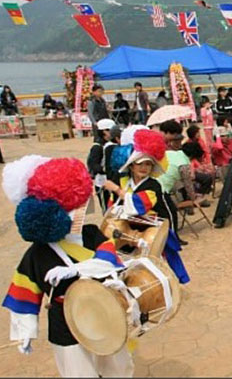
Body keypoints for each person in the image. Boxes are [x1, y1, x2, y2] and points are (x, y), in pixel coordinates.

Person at [2, 156, 133, 377]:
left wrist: (79, 270)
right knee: (78, 370)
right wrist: (25, 332)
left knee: (117, 365)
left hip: (103, 309)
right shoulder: (37, 254)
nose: (78, 212)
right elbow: (24, 294)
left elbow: (111, 262)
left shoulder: (91, 234)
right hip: (64, 320)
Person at [103, 127, 190, 283]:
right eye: (139, 164)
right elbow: (113, 207)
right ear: (131, 166)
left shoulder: (153, 185)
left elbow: (139, 205)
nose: (144, 168)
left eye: (148, 164)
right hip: (131, 228)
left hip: (155, 228)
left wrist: (116, 190)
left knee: (162, 262)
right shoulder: (124, 182)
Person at [86, 118, 117, 212]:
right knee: (107, 210)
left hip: (113, 182)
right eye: (108, 130)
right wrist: (105, 170)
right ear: (103, 131)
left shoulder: (111, 144)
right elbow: (93, 164)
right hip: (102, 183)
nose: (111, 133)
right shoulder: (97, 147)